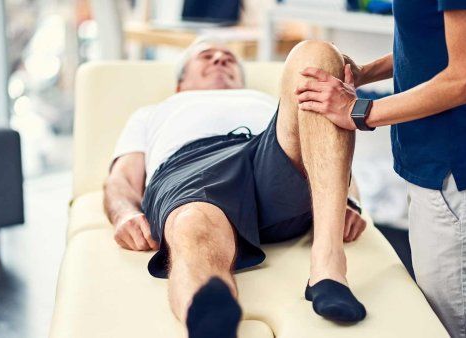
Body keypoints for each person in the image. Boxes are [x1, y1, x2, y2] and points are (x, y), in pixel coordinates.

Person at [295, 1, 466, 337]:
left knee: (453, 331)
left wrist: (358, 111)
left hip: (462, 180)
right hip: (456, 173)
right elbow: (434, 45)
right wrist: (366, 72)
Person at [103, 39, 368, 338]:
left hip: (269, 153)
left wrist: (348, 201)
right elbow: (121, 179)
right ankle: (210, 321)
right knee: (194, 225)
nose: (219, 59)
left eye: (228, 57)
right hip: (191, 167)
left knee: (316, 54)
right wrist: (124, 213)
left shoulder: (265, 99)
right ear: (180, 83)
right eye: (206, 56)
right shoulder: (153, 112)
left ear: (240, 77)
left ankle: (328, 268)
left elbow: (328, 152)